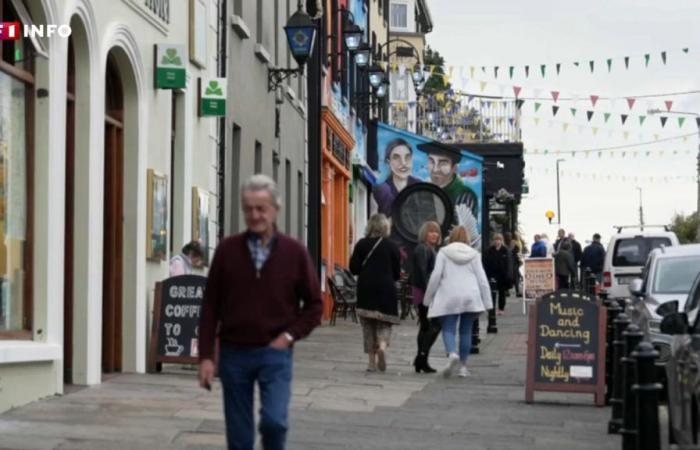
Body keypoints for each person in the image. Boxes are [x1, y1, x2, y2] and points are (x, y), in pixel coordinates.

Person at [198, 174, 323, 450]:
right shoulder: (228, 250)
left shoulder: (294, 253)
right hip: (234, 353)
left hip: (274, 352)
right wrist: (206, 356)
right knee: (240, 437)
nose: (254, 215)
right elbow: (210, 307)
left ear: (275, 209)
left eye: (261, 208)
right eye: (248, 209)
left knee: (274, 422)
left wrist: (289, 336)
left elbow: (315, 306)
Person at [423, 225, 493, 378]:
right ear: (467, 238)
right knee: (466, 331)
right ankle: (463, 367)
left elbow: (435, 276)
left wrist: (428, 299)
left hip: (449, 296)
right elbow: (482, 279)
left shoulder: (443, 252)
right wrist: (488, 303)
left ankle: (451, 353)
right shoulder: (474, 254)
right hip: (470, 296)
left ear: (452, 237)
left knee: (448, 328)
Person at [349, 214, 401, 373]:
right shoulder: (393, 246)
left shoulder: (361, 245)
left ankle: (371, 363)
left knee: (368, 325)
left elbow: (354, 268)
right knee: (384, 323)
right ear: (386, 228)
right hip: (386, 288)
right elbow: (397, 274)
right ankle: (383, 346)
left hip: (366, 288)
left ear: (370, 226)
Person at [410, 221, 442, 374]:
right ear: (425, 233)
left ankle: (421, 360)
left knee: (425, 326)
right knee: (433, 326)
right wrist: (430, 293)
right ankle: (421, 358)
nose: (434, 234)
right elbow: (423, 273)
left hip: (424, 291)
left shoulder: (428, 249)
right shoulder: (423, 249)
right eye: (431, 231)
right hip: (424, 292)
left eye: (436, 232)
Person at [417, 142, 479, 218]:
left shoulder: (464, 195)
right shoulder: (422, 191)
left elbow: (462, 227)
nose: (435, 169)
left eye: (443, 163)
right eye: (432, 161)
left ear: (454, 168)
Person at [373, 138, 421, 216]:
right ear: (388, 162)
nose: (403, 163)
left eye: (407, 157)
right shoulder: (382, 190)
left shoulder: (420, 187)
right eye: (396, 157)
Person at [484, 233, 513, 315]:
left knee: (502, 293)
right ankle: (491, 308)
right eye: (496, 240)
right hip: (492, 274)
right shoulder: (490, 250)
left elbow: (508, 263)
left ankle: (501, 308)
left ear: (501, 241)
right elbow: (486, 262)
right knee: (492, 292)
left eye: (499, 240)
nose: (497, 241)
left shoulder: (505, 250)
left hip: (502, 275)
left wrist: (508, 275)